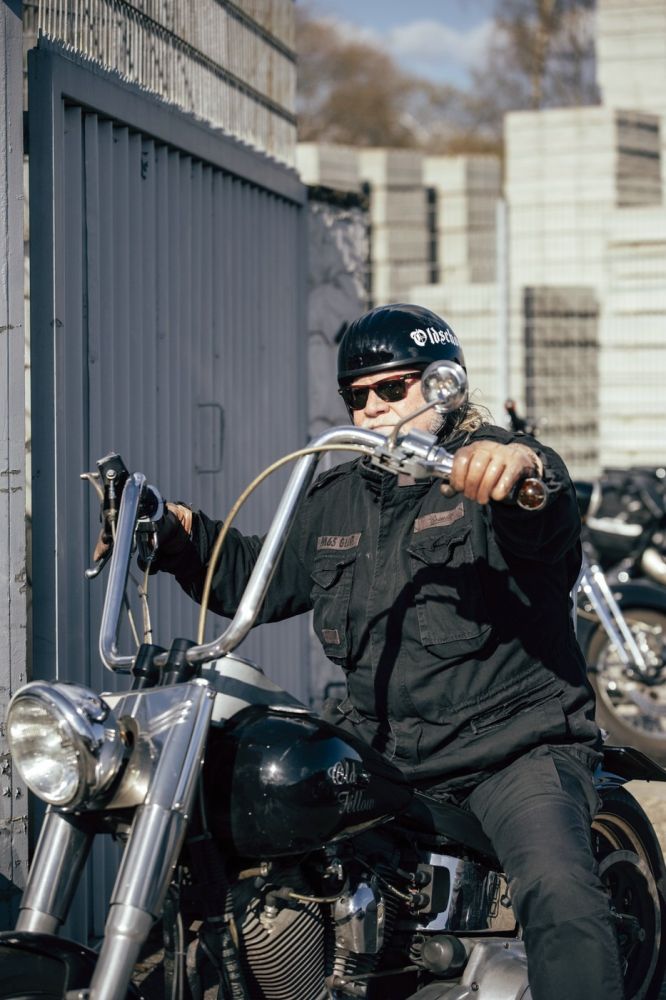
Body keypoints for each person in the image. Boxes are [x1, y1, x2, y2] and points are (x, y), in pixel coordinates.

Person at [125, 304, 625, 1000]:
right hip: (385, 747)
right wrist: (177, 532)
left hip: (511, 747)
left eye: (393, 388)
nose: (373, 408)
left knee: (558, 889)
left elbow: (543, 514)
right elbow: (252, 577)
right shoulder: (337, 498)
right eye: (356, 396)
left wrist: (516, 471)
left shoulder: (489, 472)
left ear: (444, 385)